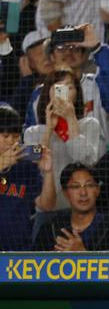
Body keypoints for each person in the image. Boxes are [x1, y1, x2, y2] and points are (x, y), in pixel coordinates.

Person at [23, 70, 102, 209]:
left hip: (80, 208)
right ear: (48, 94)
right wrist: (48, 129)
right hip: (47, 206)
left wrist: (70, 118)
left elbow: (84, 160)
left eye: (69, 87)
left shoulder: (90, 124)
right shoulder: (33, 132)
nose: (63, 93)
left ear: (77, 93)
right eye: (57, 88)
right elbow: (34, 164)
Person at [0, 105, 51, 250]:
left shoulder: (26, 167)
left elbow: (46, 205)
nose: (11, 141)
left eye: (15, 136)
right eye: (5, 136)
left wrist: (48, 173)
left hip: (19, 250)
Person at [32, 162, 109, 250]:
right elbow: (33, 261)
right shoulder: (51, 228)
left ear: (98, 190)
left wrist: (83, 254)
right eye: (76, 187)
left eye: (89, 185)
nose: (83, 193)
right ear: (65, 193)